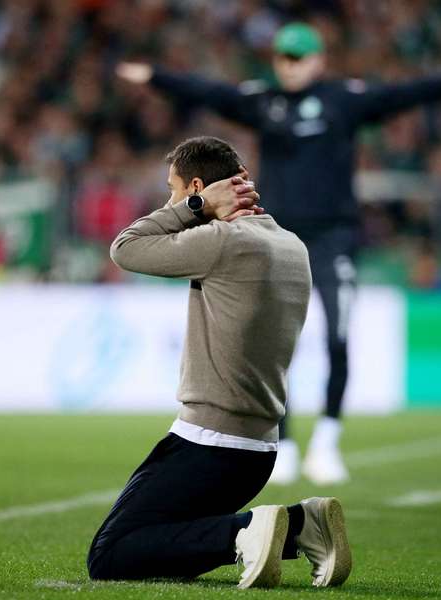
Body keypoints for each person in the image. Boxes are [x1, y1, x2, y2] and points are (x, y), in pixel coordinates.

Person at [117, 23, 441, 486]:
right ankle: (283, 442)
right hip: (275, 241)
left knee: (337, 338)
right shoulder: (262, 103)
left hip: (333, 239)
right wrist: (153, 76)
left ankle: (327, 440)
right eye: (283, 57)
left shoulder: (342, 101)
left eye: (298, 57)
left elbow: (405, 94)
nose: (288, 65)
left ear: (318, 59)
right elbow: (207, 91)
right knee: (270, 344)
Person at [87, 136, 352, 588]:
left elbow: (125, 247)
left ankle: (248, 533)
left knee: (111, 554)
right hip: (259, 449)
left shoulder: (221, 241)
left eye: (174, 189)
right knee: (170, 543)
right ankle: (300, 524)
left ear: (196, 185)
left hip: (207, 443)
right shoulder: (292, 246)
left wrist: (193, 206)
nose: (171, 200)